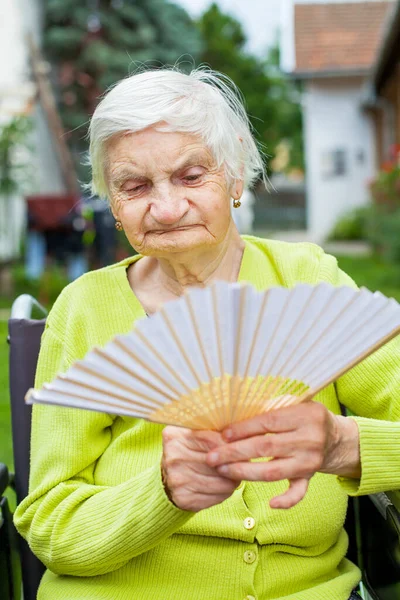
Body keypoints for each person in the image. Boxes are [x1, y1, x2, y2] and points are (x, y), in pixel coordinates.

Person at [14, 67, 400, 600]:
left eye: (192, 176)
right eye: (135, 185)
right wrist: (163, 493)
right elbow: (50, 527)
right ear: (114, 204)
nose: (168, 208)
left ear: (236, 174)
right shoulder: (84, 310)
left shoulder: (307, 281)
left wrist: (345, 446)